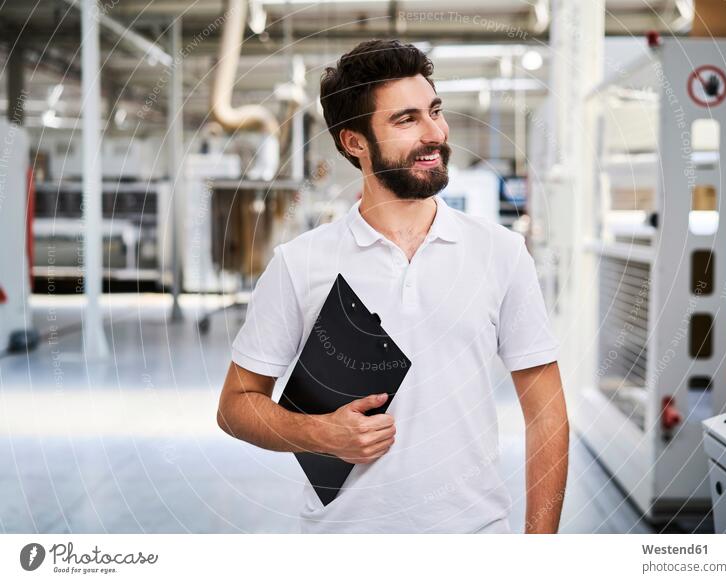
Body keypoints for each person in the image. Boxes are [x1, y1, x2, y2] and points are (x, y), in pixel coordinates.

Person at [216, 38, 568, 534]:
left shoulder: (501, 253)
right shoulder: (300, 264)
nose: (436, 133)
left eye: (435, 111)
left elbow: (548, 414)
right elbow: (235, 407)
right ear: (354, 143)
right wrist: (320, 433)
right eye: (407, 120)